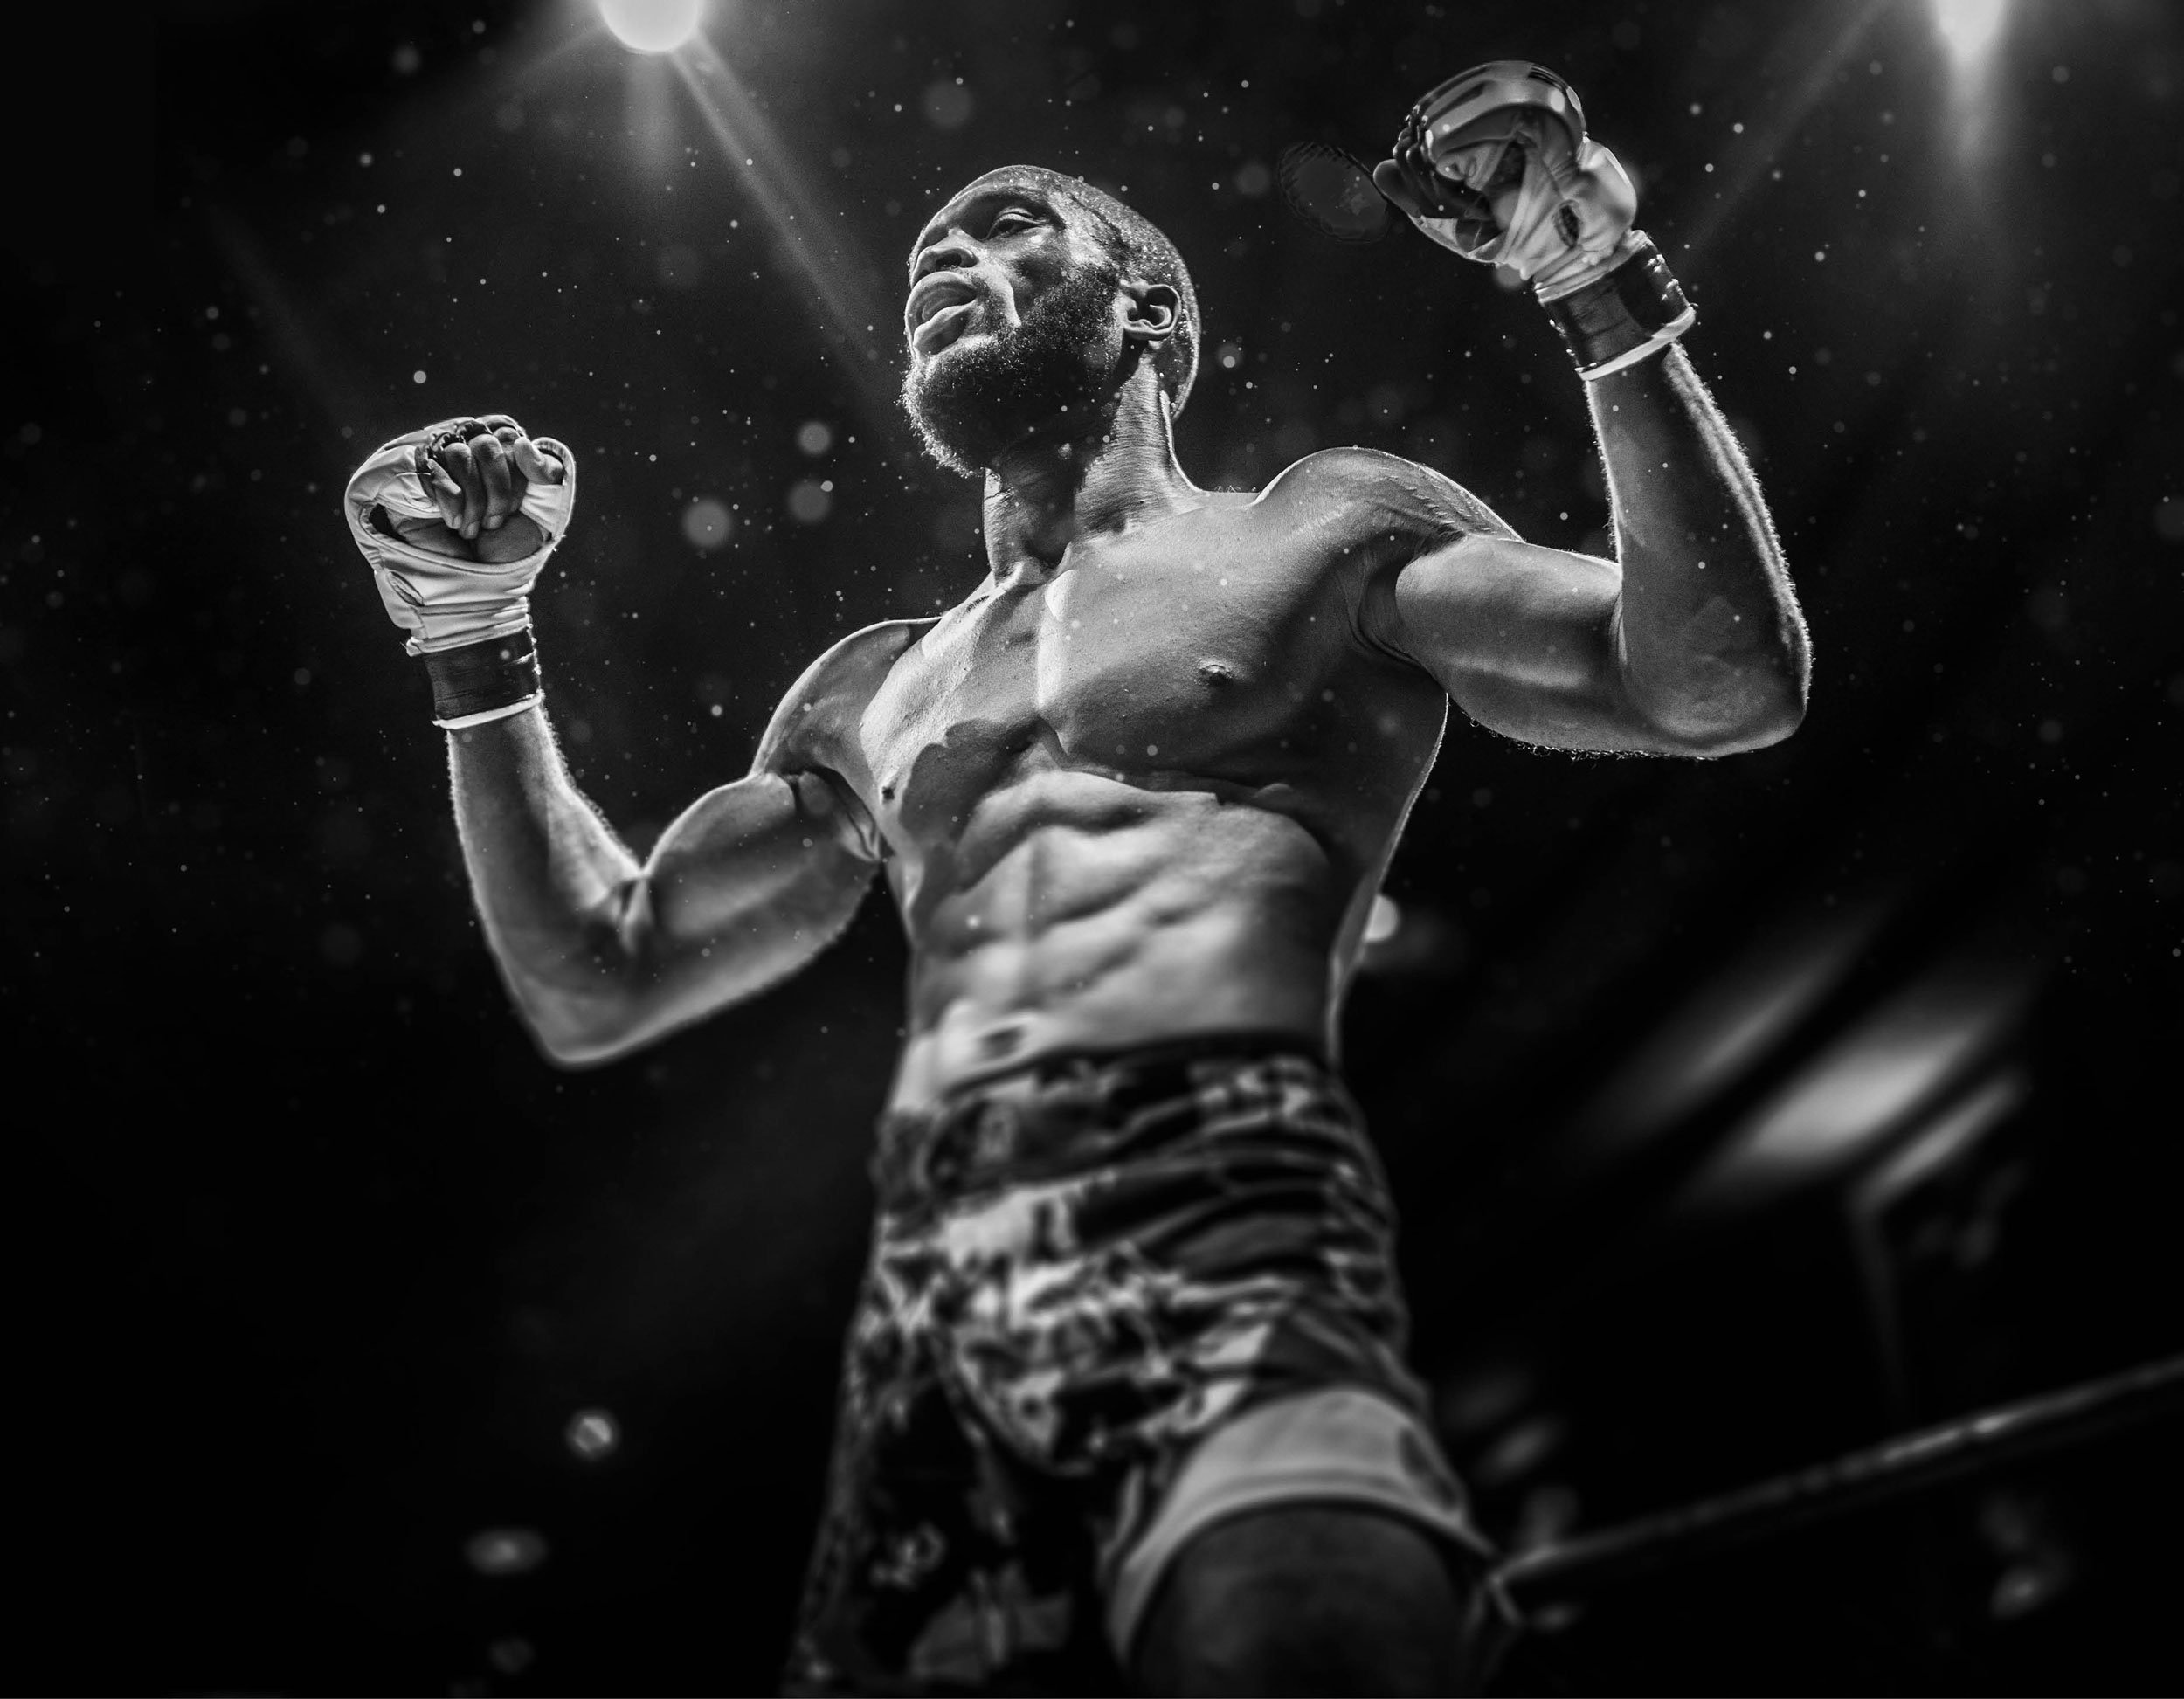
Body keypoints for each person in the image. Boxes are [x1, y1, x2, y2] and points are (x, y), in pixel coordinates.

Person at [341, 68, 1807, 1696]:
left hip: (1222, 1202)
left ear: (1149, 318)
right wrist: (473, 640)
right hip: (933, 1290)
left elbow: (1716, 686)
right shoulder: (862, 689)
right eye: (922, 253)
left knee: (1307, 1643)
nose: (942, 257)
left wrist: (1597, 281)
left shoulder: (1322, 535)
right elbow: (595, 979)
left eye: (1006, 224)